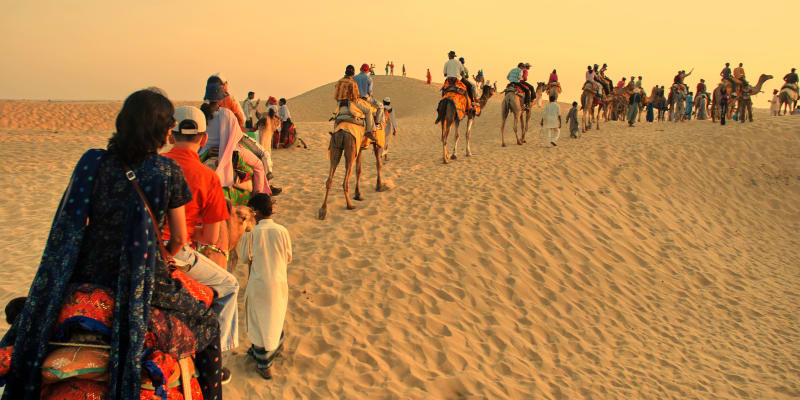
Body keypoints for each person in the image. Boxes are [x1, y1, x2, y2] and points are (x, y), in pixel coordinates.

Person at [0, 89, 224, 398]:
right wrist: (168, 257)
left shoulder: (92, 162)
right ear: (161, 131)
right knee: (210, 325)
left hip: (87, 270)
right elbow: (179, 238)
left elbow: (73, 220)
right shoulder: (166, 171)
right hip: (145, 278)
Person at [163, 106, 241, 359]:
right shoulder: (208, 177)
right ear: (204, 139)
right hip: (176, 251)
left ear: (171, 136)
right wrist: (188, 232)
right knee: (230, 285)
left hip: (141, 244)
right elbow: (209, 238)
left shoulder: (154, 165)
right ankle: (215, 354)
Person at [241, 193, 292, 380]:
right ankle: (275, 348)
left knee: (258, 320)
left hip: (259, 283)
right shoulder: (282, 230)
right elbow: (288, 257)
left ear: (256, 212)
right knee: (275, 315)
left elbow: (244, 258)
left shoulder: (251, 233)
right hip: (279, 282)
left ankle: (264, 364)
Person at [201, 82, 273, 195]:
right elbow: (238, 135)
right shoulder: (226, 114)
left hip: (205, 150)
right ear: (220, 100)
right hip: (229, 149)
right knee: (259, 165)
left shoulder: (201, 114)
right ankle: (258, 196)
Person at [334, 64, 377, 136]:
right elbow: (355, 97)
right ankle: (369, 131)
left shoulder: (338, 82)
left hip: (340, 104)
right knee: (368, 111)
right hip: (351, 103)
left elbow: (335, 96)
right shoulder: (352, 82)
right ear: (353, 73)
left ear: (345, 72)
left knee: (336, 118)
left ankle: (334, 132)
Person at [382, 97, 398, 161]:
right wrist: (395, 129)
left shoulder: (381, 108)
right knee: (386, 142)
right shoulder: (391, 109)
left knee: (381, 141)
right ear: (389, 103)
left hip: (381, 126)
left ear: (383, 102)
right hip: (388, 127)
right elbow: (393, 119)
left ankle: (381, 155)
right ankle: (385, 156)